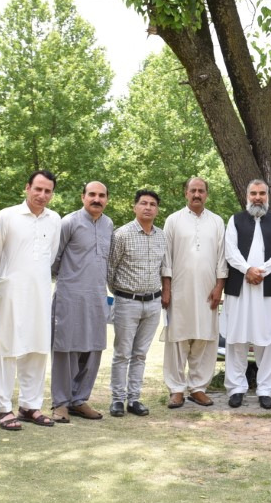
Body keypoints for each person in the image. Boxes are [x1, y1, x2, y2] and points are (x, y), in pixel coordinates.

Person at [0, 170, 62, 430]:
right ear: (27, 188)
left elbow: (50, 256)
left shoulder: (54, 219)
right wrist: (9, 279)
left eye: (47, 191)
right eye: (37, 189)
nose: (42, 195)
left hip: (40, 291)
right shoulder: (7, 216)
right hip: (11, 291)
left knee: (37, 348)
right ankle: (4, 408)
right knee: (6, 349)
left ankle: (30, 405)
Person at [49, 181, 113, 423]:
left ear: (107, 199)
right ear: (82, 196)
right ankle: (61, 403)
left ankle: (79, 400)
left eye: (101, 195)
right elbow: (54, 259)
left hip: (97, 296)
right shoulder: (69, 222)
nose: (97, 199)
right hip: (70, 296)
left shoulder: (108, 224)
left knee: (93, 348)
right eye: (92, 194)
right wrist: (71, 279)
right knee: (65, 349)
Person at [163, 177, 228, 409]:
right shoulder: (173, 220)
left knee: (205, 338)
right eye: (193, 190)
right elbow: (166, 257)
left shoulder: (217, 221)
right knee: (178, 338)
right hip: (179, 291)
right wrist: (166, 288)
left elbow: (222, 257)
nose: (197, 194)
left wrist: (219, 286)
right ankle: (176, 389)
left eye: (201, 191)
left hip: (208, 291)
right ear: (186, 193)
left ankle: (198, 388)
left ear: (206, 194)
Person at [222, 179, 271, 409]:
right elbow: (230, 250)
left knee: (267, 339)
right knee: (236, 338)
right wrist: (247, 269)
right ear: (247, 196)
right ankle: (236, 388)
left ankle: (265, 389)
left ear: (268, 196)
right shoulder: (235, 220)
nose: (257, 197)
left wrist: (261, 271)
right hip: (239, 287)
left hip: (266, 288)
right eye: (253, 193)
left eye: (261, 193)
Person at [106, 189, 171, 417]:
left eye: (153, 204)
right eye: (143, 203)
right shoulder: (121, 234)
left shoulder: (162, 236)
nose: (148, 207)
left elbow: (164, 267)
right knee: (122, 353)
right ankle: (117, 399)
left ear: (157, 210)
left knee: (140, 354)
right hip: (127, 301)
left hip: (153, 303)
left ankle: (134, 399)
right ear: (134, 207)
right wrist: (120, 293)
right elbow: (111, 268)